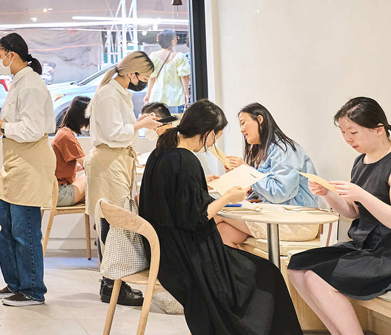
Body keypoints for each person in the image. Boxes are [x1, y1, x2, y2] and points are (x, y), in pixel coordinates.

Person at [139, 99, 303, 335]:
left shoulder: (162, 152)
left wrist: (200, 185)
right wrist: (227, 196)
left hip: (165, 248)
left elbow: (170, 197)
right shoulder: (186, 160)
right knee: (267, 274)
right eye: (216, 136)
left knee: (257, 268)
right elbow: (196, 218)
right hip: (188, 255)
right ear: (206, 133)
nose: (214, 142)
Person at [288, 97, 391, 335]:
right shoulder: (362, 161)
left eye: (353, 132)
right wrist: (328, 193)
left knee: (317, 278)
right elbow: (353, 212)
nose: (348, 139)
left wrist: (363, 195)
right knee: (297, 268)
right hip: (371, 248)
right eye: (344, 132)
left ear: (378, 130)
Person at [0, 33, 56, 307]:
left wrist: (1, 127)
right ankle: (14, 283)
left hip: (30, 164)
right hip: (15, 163)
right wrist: (1, 125)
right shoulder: (19, 83)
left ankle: (32, 290)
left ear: (11, 55)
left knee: (25, 232)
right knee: (0, 225)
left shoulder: (31, 85)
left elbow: (32, 129)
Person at [85, 51, 159, 306]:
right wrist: (140, 125)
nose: (144, 82)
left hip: (117, 160)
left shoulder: (118, 93)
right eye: (145, 77)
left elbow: (118, 129)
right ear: (132, 73)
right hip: (108, 162)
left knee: (116, 221)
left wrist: (140, 124)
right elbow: (114, 132)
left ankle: (115, 281)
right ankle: (111, 283)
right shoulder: (108, 94)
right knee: (111, 222)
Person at [217, 103, 320, 248]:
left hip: (297, 221)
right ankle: (240, 271)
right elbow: (263, 191)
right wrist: (241, 176)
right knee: (223, 232)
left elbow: (280, 193)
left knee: (215, 213)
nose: (241, 130)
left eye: (243, 123)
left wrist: (248, 172)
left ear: (259, 119)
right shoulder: (264, 151)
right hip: (276, 215)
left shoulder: (284, 149)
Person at [52, 96, 90, 207]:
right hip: (60, 194)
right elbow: (88, 164)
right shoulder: (67, 136)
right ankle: (102, 223)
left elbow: (65, 167)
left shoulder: (63, 133)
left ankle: (100, 223)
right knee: (98, 181)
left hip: (55, 192)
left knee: (94, 181)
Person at [143, 30, 191, 113]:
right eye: (176, 38)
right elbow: (184, 77)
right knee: (175, 120)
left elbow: (152, 78)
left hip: (158, 95)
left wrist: (148, 95)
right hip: (176, 96)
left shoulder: (153, 56)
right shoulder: (180, 56)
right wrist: (186, 94)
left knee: (160, 121)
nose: (177, 39)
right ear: (172, 41)